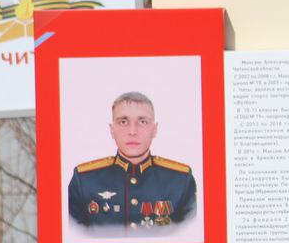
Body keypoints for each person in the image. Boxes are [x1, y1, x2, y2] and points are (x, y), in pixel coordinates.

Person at [67, 91, 197, 230]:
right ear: (112, 130)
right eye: (123, 122)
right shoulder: (85, 180)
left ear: (154, 130)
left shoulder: (180, 180)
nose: (133, 131)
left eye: (142, 121)